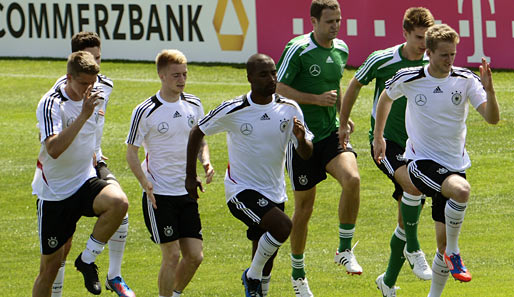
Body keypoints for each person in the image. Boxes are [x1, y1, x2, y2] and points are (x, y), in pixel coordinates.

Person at [373, 24, 500, 296]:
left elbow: (492, 118)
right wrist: (378, 137)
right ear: (428, 53)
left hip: (454, 165)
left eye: (453, 54)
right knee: (462, 191)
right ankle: (455, 252)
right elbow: (385, 98)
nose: (450, 59)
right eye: (444, 54)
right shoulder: (410, 77)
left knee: (441, 245)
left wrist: (490, 90)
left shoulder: (465, 79)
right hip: (421, 163)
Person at [185, 53, 313, 297]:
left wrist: (300, 140)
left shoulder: (289, 109)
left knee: (267, 259)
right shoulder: (235, 109)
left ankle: (257, 287)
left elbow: (307, 153)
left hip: (274, 190)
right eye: (264, 74)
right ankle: (250, 276)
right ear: (250, 78)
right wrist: (190, 176)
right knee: (283, 227)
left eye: (273, 73)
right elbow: (197, 132)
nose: (271, 78)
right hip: (240, 190)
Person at [339, 7, 435, 296]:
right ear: (405, 33)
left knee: (407, 216)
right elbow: (355, 84)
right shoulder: (383, 60)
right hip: (386, 144)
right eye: (419, 37)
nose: (423, 43)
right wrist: (342, 123)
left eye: (427, 37)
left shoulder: (432, 63)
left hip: (419, 146)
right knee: (413, 187)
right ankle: (415, 250)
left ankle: (388, 282)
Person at [276, 1, 360, 295]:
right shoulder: (297, 50)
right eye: (329, 21)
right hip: (300, 139)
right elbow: (279, 88)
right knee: (304, 209)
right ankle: (298, 275)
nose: (335, 26)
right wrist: (314, 100)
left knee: (353, 179)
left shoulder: (342, 49)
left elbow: (335, 88)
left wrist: (343, 120)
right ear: (313, 22)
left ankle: (344, 248)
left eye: (338, 20)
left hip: (330, 134)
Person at [31, 51, 129, 297]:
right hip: (55, 194)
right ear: (68, 78)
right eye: (83, 83)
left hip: (84, 182)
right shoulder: (52, 103)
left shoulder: (94, 97)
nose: (89, 89)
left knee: (119, 203)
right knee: (49, 269)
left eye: (92, 84)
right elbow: (53, 149)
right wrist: (84, 114)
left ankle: (86, 261)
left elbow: (91, 136)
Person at [126, 49, 213, 297]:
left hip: (186, 191)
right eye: (176, 75)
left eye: (185, 74)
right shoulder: (145, 110)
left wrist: (205, 162)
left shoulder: (194, 104)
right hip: (159, 194)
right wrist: (145, 184)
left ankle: (173, 294)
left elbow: (200, 142)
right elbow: (131, 152)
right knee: (172, 255)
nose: (182, 79)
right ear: (162, 75)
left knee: (195, 256)